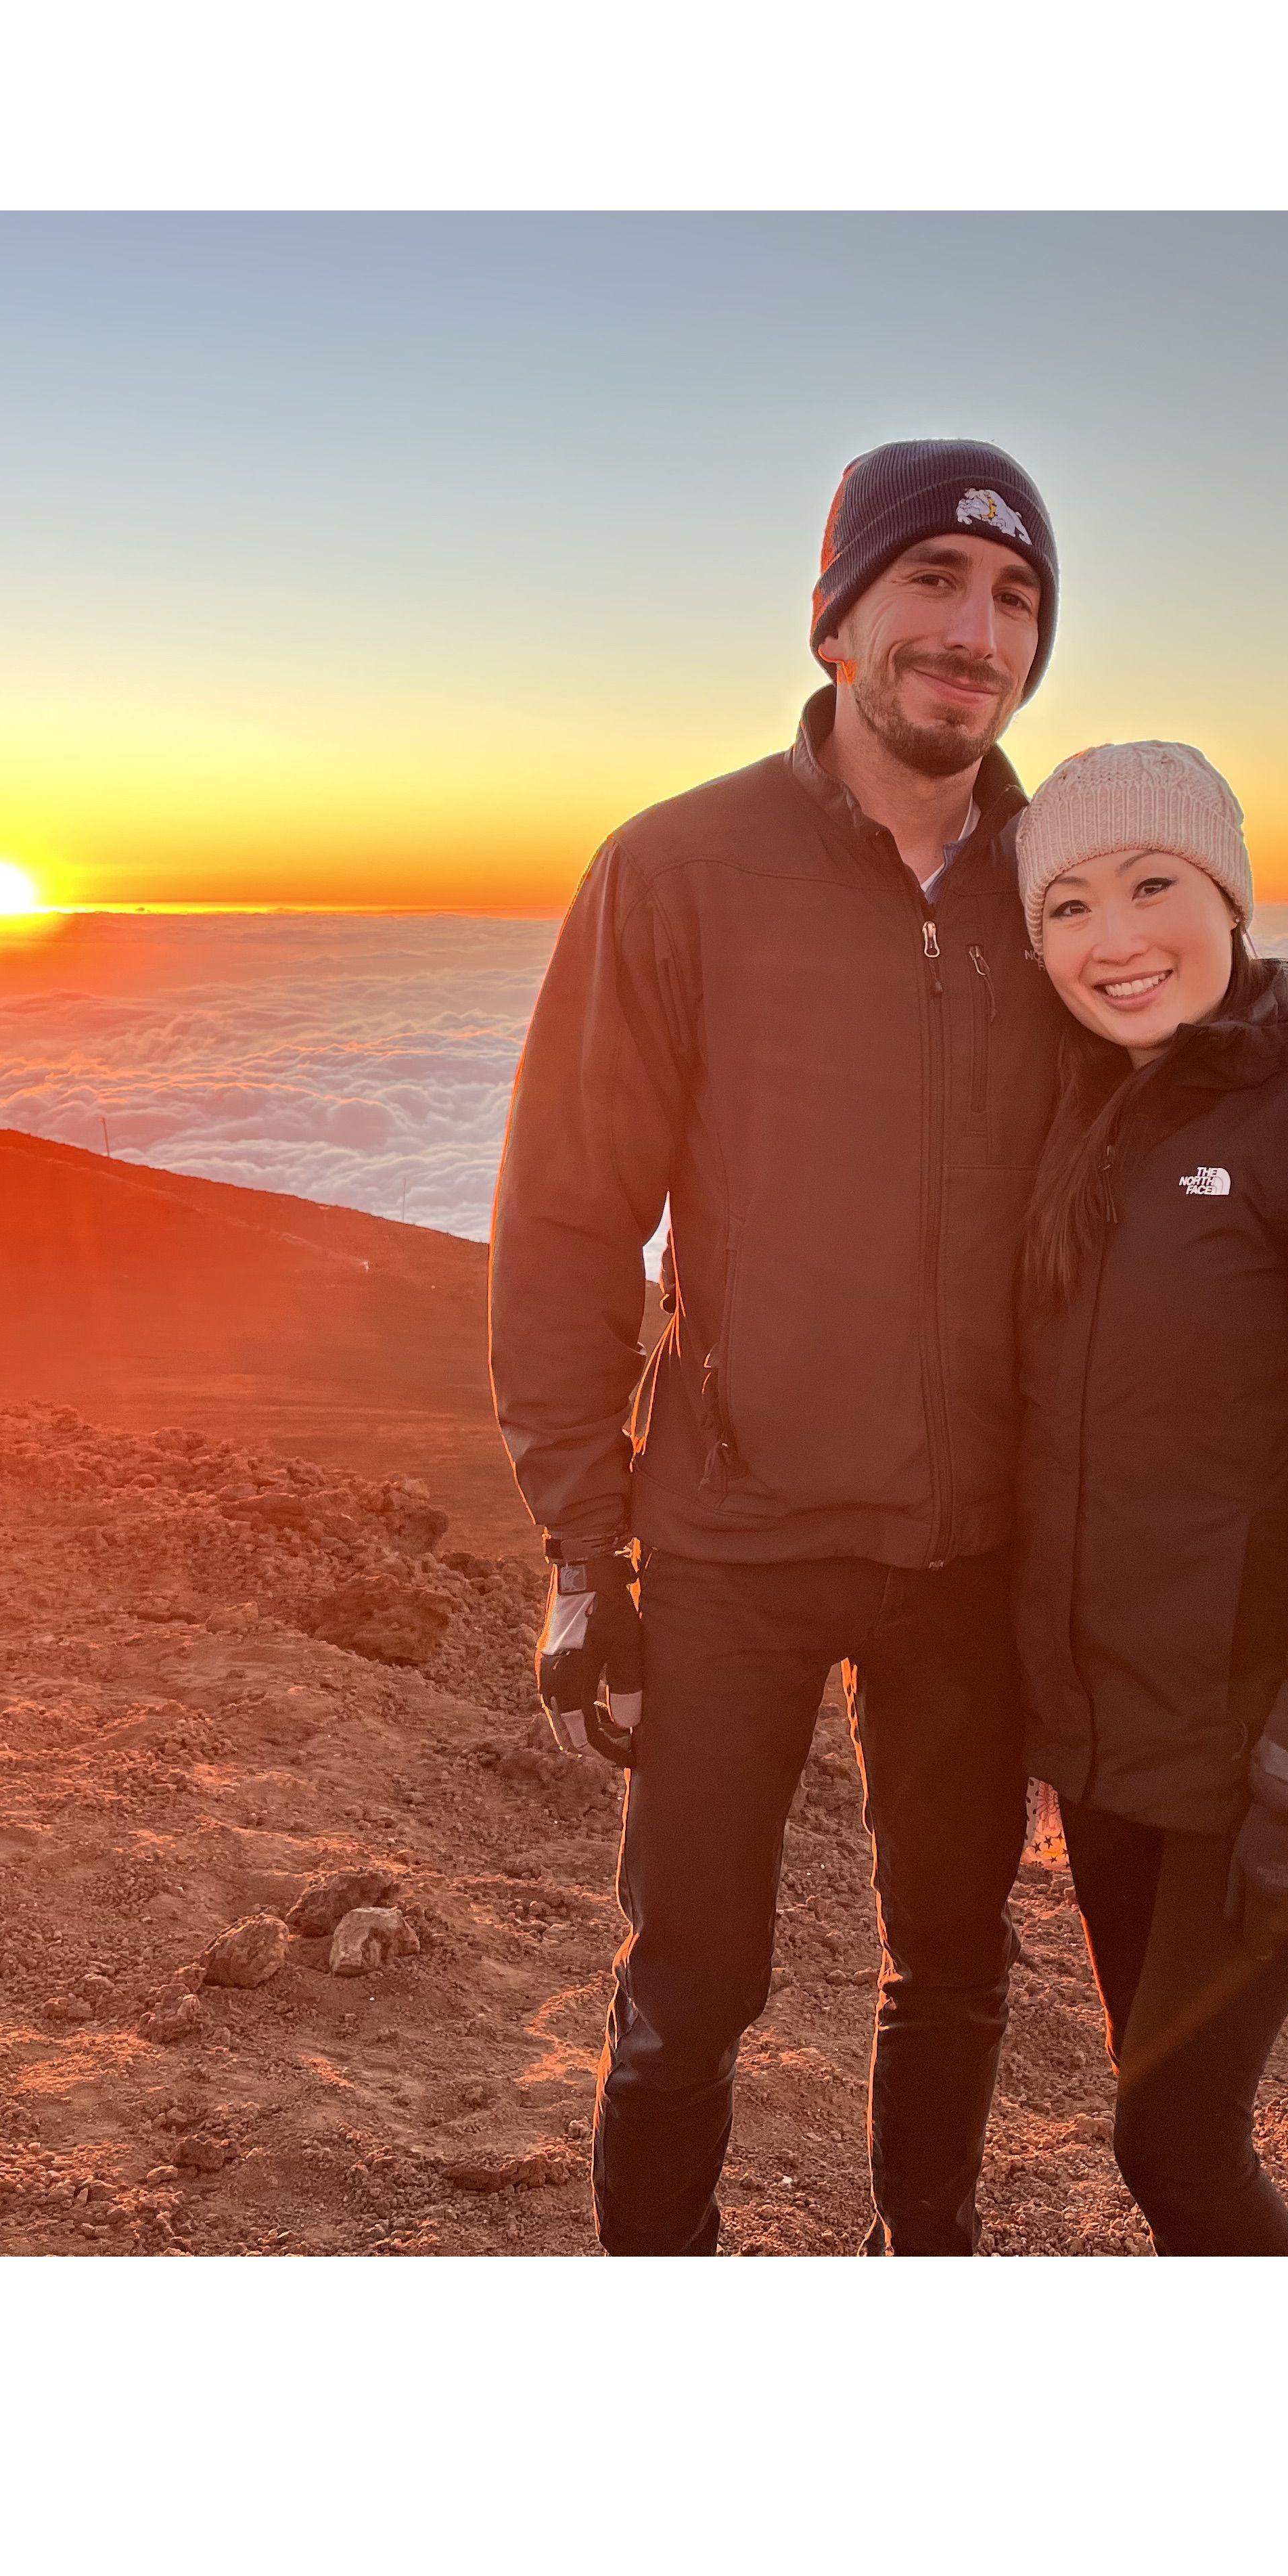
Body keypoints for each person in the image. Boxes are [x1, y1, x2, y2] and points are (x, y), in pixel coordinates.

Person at [488, 440, 1070, 2255]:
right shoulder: (679, 871)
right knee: (692, 1983)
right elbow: (572, 1221)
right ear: (837, 620)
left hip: (976, 1547)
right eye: (934, 583)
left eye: (1016, 600)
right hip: (733, 1538)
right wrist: (591, 1554)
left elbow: (1190, 1100)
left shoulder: (1066, 889)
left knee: (956, 1960)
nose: (974, 633)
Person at [1009, 740, 1288, 2255]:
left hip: (1255, 1755)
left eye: (1153, 885)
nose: (1113, 937)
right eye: (1066, 906)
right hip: (1113, 1745)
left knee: (1174, 2140)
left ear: (1231, 899)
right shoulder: (1102, 1112)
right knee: (1164, 2124)